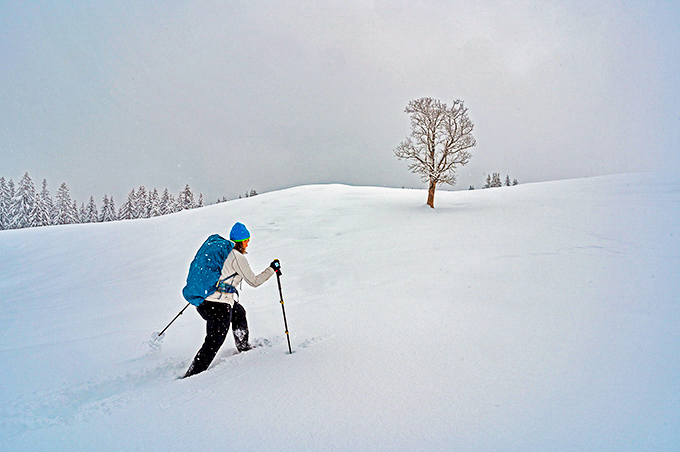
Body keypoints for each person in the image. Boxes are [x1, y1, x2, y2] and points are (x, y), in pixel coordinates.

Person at [183, 222, 281, 378]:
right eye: (247, 239)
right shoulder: (237, 257)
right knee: (214, 341)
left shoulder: (223, 253)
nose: (248, 243)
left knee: (238, 312)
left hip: (205, 302)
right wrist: (272, 269)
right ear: (241, 241)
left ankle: (243, 346)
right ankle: (193, 374)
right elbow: (254, 281)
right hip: (219, 306)